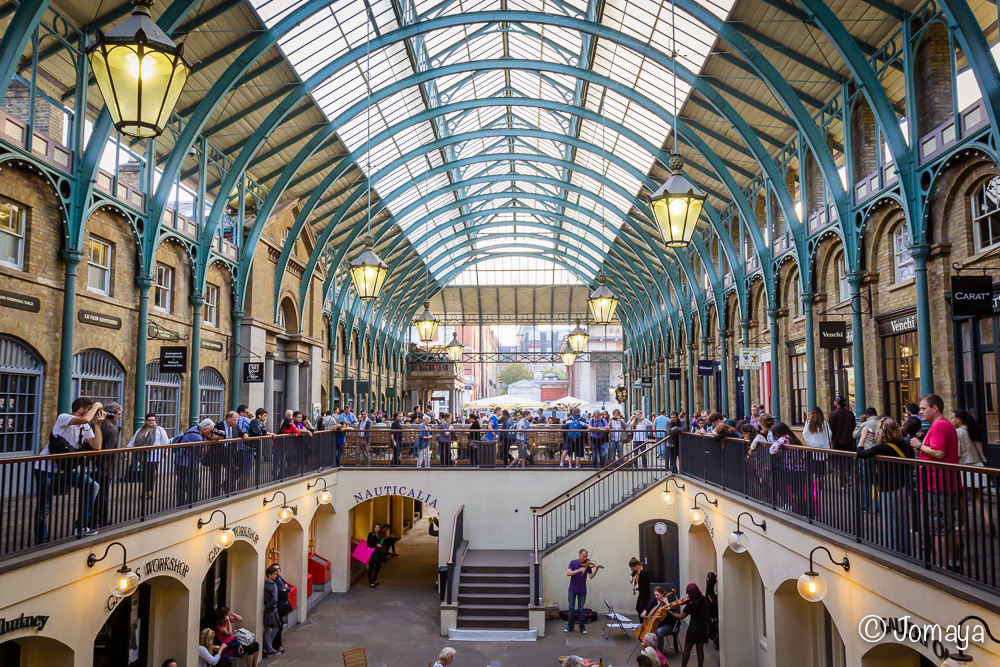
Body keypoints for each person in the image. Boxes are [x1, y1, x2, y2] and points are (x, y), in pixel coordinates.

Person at [34, 397, 105, 542]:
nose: (94, 412)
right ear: (82, 409)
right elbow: (85, 419)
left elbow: (97, 446)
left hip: (65, 469)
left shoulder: (85, 427)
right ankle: (42, 540)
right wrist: (96, 405)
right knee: (44, 506)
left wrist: (97, 425)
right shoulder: (64, 418)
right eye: (90, 409)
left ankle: (81, 526)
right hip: (45, 468)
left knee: (92, 486)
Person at [911, 394, 961, 570]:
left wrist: (918, 445)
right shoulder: (944, 425)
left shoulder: (939, 426)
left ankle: (942, 566)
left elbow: (939, 453)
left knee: (938, 527)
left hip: (937, 484)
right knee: (945, 525)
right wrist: (923, 451)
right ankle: (951, 561)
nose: (920, 412)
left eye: (923, 408)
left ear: (935, 409)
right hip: (943, 482)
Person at [856, 417, 913, 551]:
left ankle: (891, 548)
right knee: (902, 519)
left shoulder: (881, 448)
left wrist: (863, 437)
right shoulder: (903, 444)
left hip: (888, 487)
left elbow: (861, 453)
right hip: (902, 486)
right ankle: (903, 548)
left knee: (889, 520)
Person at [125, 411, 169, 504]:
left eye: (153, 420)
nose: (151, 422)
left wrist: (166, 451)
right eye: (149, 420)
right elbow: (134, 440)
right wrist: (126, 450)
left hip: (155, 455)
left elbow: (165, 442)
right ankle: (145, 491)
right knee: (145, 473)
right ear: (146, 421)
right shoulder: (141, 430)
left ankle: (150, 491)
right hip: (143, 455)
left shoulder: (159, 430)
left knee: (151, 473)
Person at [92, 402, 122, 528]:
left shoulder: (98, 424)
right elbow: (108, 451)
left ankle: (95, 520)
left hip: (95, 466)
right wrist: (109, 470)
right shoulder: (112, 428)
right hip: (104, 468)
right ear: (111, 414)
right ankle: (101, 521)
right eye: (118, 414)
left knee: (95, 494)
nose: (120, 416)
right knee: (102, 496)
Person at [769, 422, 808, 513]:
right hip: (800, 468)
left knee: (785, 486)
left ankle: (789, 506)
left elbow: (772, 450)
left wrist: (775, 442)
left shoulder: (784, 439)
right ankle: (803, 511)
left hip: (790, 468)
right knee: (799, 490)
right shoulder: (793, 437)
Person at [668, 583, 710, 667]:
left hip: (693, 629)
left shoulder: (691, 604)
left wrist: (669, 611)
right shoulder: (703, 599)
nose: (687, 594)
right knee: (700, 650)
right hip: (703, 627)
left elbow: (681, 616)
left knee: (687, 649)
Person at [175, 420, 216, 505]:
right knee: (185, 483)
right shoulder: (196, 436)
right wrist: (210, 442)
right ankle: (183, 503)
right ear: (204, 429)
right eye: (211, 431)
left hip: (191, 462)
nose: (211, 433)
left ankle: (190, 501)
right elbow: (203, 451)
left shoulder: (196, 430)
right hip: (184, 462)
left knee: (194, 482)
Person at [565, 548, 601, 633]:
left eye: (586, 557)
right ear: (580, 554)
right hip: (572, 589)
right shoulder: (573, 562)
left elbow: (591, 576)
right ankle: (570, 626)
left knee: (581, 609)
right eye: (584, 556)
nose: (585, 559)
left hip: (582, 590)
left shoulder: (588, 565)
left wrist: (596, 569)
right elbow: (568, 573)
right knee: (571, 609)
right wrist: (579, 570)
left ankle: (582, 627)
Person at [263, 564, 282, 657]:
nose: (276, 576)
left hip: (266, 610)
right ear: (269, 575)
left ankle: (267, 646)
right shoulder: (273, 585)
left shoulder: (263, 583)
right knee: (276, 626)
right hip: (272, 610)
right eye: (274, 574)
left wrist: (265, 606)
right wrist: (267, 606)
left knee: (267, 629)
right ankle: (269, 647)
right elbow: (275, 599)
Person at [367, 523, 384, 587]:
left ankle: (374, 579)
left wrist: (381, 545)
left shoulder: (380, 534)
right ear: (373, 528)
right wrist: (376, 545)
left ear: (379, 528)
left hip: (378, 553)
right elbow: (368, 544)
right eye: (375, 527)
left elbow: (381, 542)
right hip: (372, 553)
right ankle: (371, 582)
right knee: (371, 568)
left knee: (378, 566)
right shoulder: (371, 534)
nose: (377, 529)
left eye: (378, 527)